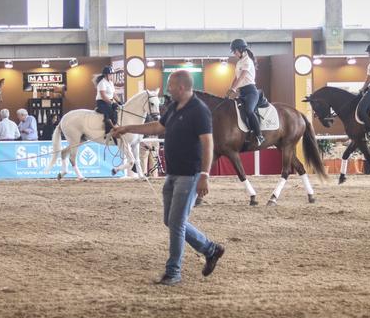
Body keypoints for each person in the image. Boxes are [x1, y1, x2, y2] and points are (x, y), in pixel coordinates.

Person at [111, 70, 225, 286]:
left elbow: (208, 143)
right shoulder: (173, 107)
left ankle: (173, 272)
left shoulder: (199, 111)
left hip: (190, 175)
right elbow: (158, 126)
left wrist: (205, 175)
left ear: (181, 87)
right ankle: (210, 249)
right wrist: (127, 128)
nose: (167, 90)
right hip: (172, 174)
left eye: (170, 86)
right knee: (171, 221)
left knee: (177, 223)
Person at [225, 38, 264, 149]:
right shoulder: (239, 63)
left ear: (240, 49)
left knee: (249, 110)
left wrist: (234, 89)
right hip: (242, 92)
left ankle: (259, 135)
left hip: (251, 92)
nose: (234, 53)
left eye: (234, 51)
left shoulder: (247, 61)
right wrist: (230, 89)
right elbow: (236, 78)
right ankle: (245, 134)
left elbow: (242, 76)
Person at [94, 65, 118, 133]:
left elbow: (114, 94)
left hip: (109, 101)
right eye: (110, 74)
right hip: (102, 102)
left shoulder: (110, 83)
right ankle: (108, 131)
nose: (111, 76)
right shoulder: (102, 83)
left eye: (111, 74)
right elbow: (103, 96)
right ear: (106, 75)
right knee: (109, 113)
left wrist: (119, 102)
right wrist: (112, 103)